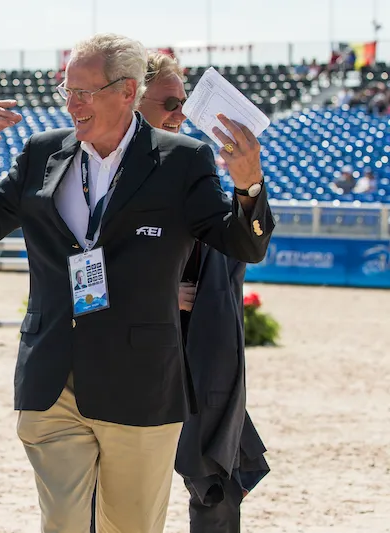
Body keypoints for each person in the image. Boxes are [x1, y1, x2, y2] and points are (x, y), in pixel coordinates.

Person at [0, 33, 274, 533]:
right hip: (53, 380)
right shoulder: (41, 152)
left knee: (131, 526)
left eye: (84, 91)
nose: (71, 104)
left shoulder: (182, 160)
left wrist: (248, 184)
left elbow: (243, 245)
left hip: (140, 384)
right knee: (65, 523)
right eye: (66, 90)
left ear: (126, 91)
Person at [139, 51, 271, 533]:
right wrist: (154, 291)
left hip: (203, 352)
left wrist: (248, 183)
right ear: (131, 99)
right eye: (171, 102)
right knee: (117, 486)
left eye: (184, 102)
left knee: (216, 484)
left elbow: (245, 245)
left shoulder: (196, 167)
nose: (181, 114)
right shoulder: (93, 173)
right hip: (128, 353)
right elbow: (71, 269)